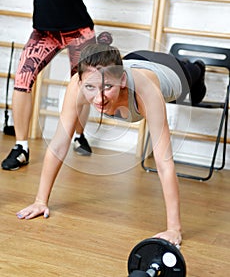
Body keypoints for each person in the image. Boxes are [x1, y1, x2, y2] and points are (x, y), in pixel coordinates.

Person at [16, 32, 207, 246]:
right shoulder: (77, 85)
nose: (99, 99)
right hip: (133, 60)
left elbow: (164, 162)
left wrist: (174, 229)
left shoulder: (147, 91)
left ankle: (198, 68)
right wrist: (40, 201)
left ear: (122, 80)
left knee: (192, 76)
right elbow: (59, 145)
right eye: (90, 88)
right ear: (81, 81)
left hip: (171, 70)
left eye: (108, 88)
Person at [0, 0, 146, 170]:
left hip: (78, 31)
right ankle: (21, 147)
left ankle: (79, 135)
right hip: (44, 32)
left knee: (82, 87)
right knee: (22, 81)